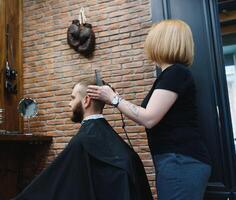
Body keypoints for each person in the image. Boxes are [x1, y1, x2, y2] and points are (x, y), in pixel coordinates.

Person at [87, 19, 211, 200]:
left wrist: (113, 99)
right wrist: (116, 98)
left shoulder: (175, 73)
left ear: (161, 41)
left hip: (181, 161)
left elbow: (149, 118)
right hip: (177, 160)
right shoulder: (172, 75)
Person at [12, 77, 153, 200]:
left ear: (86, 101)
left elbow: (54, 184)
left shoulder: (81, 141)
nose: (69, 104)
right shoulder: (117, 145)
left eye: (73, 98)